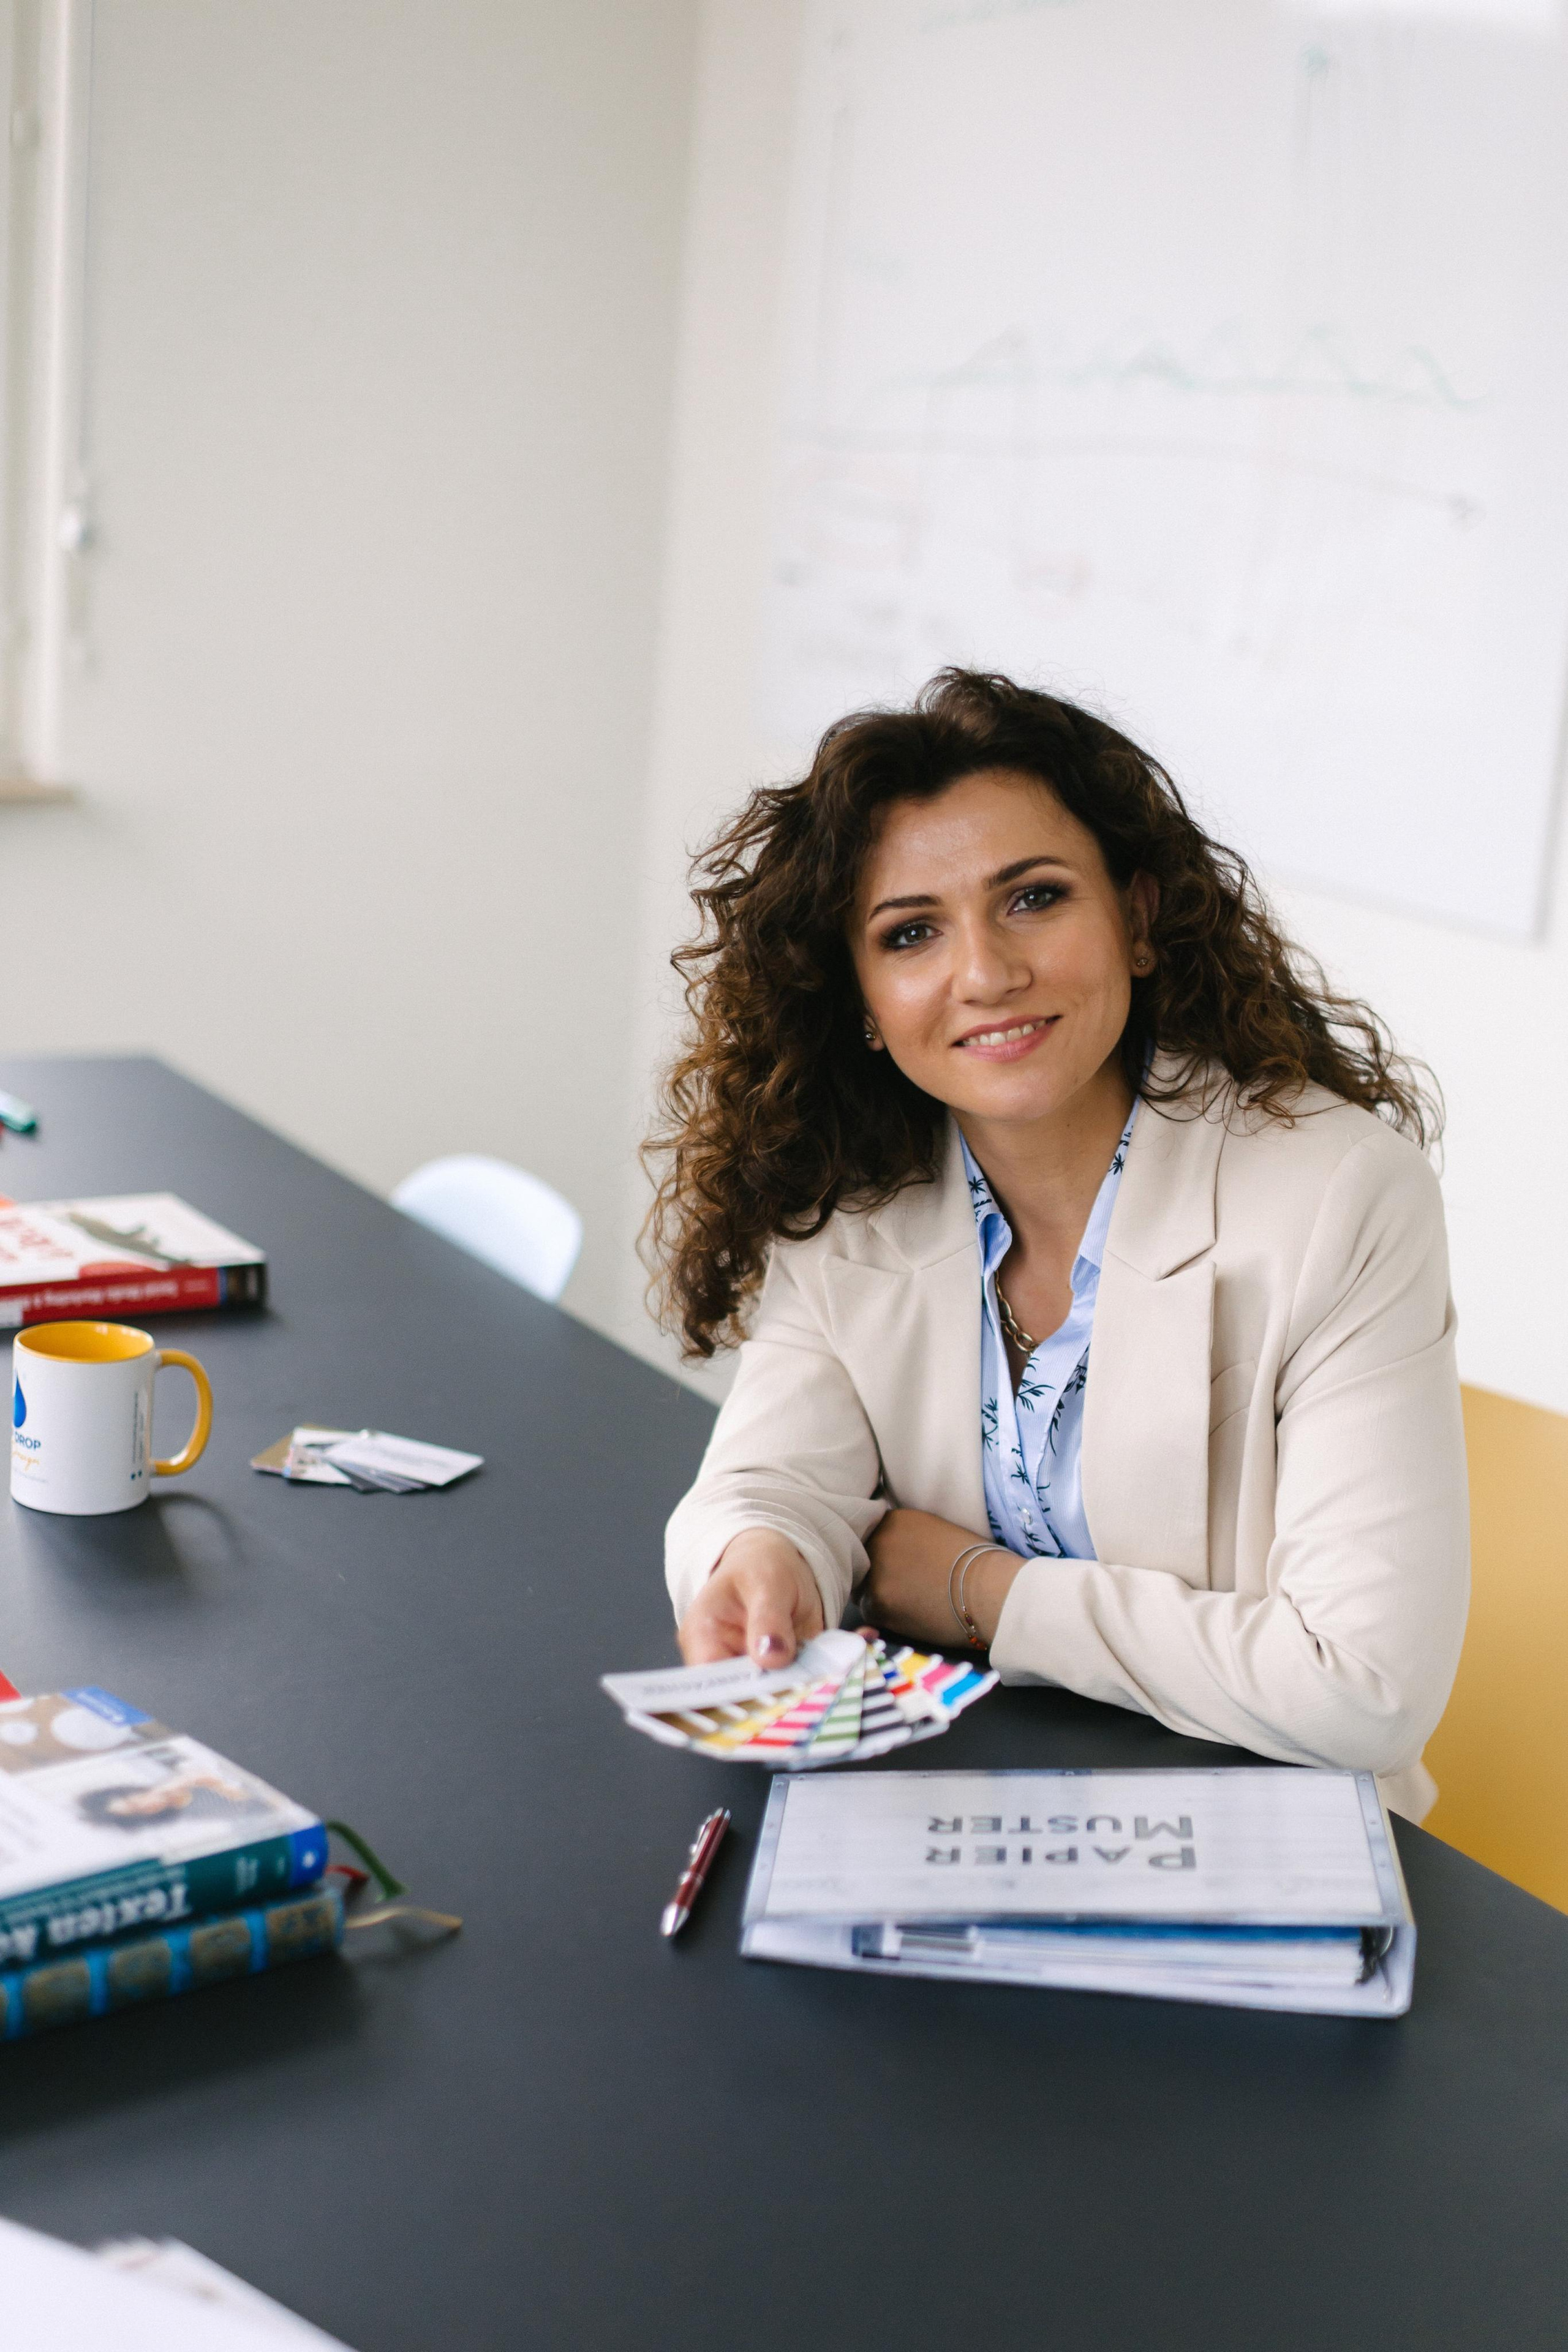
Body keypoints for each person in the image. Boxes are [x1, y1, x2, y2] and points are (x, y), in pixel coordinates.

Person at [645, 671, 1468, 1821]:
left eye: (1032, 898)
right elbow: (769, 1480)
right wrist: (765, 1552)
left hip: (1260, 1834)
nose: (984, 973)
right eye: (912, 932)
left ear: (1136, 919)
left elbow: (1363, 1690)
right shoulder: (856, 1195)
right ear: (863, 1001)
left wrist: (983, 1594)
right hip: (965, 1801)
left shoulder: (1336, 1196)